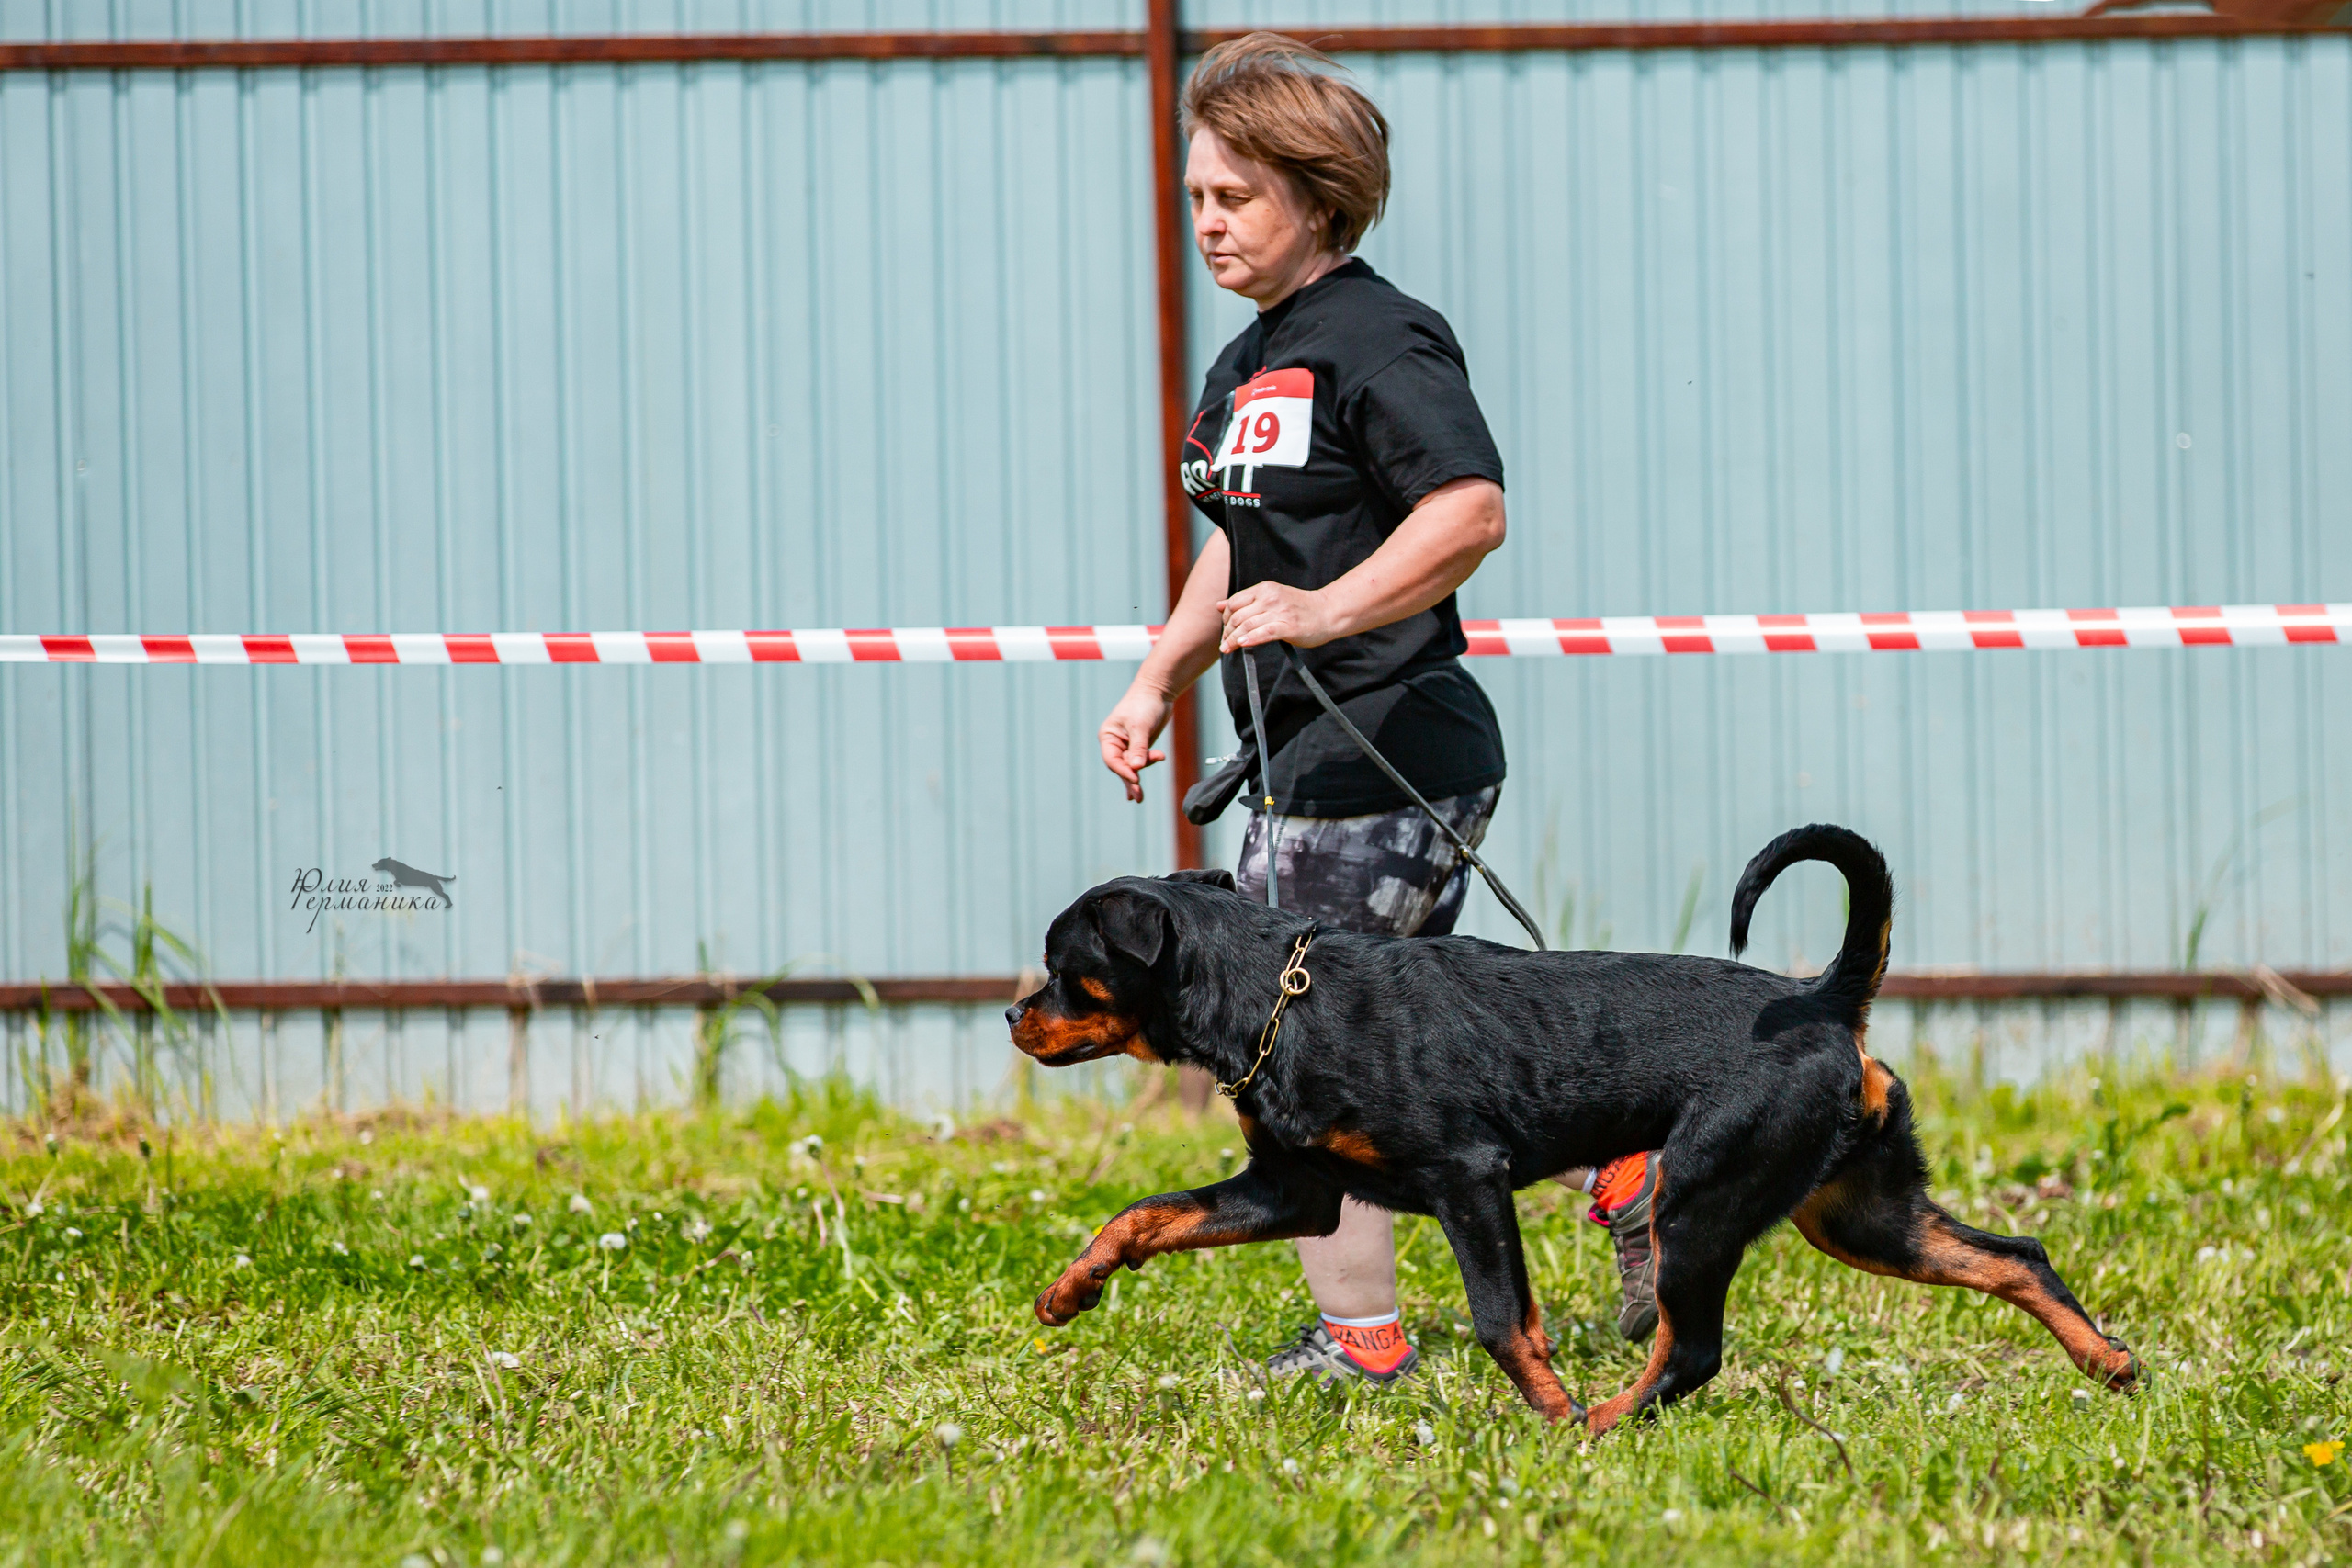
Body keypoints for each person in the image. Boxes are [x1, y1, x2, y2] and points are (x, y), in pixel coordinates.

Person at [1095, 34, 1660, 1384]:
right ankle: (1625, 1148)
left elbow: (1469, 510)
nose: (1209, 223)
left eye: (1235, 198)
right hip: (1294, 762)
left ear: (1321, 197)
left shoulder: (1380, 335)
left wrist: (1329, 610)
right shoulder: (1244, 364)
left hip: (1392, 747)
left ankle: (1367, 1345)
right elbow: (1242, 541)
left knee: (1304, 1068)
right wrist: (1157, 677)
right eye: (1195, 200)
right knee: (1407, 1059)